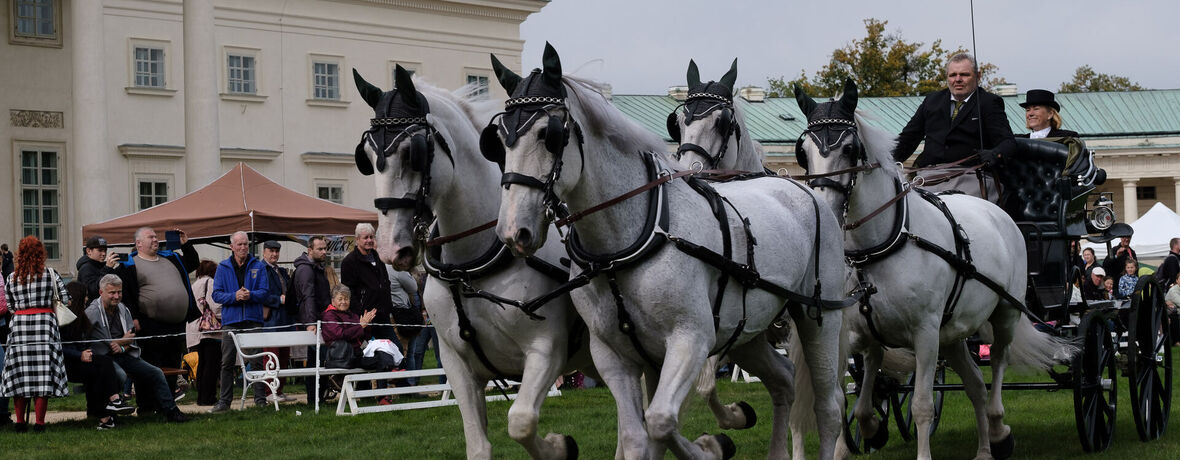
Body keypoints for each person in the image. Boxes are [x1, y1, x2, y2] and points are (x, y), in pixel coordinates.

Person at [893, 53, 1015, 201]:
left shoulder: (989, 102)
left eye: (964, 74)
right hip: (928, 176)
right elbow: (908, 139)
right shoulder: (932, 101)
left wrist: (995, 153)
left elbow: (1007, 142)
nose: (958, 79)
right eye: (953, 75)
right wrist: (882, 160)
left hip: (970, 176)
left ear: (978, 76)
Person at [85, 274, 189, 423]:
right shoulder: (92, 312)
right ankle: (109, 413)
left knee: (156, 372)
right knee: (119, 375)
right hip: (104, 358)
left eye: (119, 292)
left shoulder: (123, 308)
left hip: (124, 354)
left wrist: (121, 345)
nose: (116, 296)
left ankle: (171, 411)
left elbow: (131, 336)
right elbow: (88, 339)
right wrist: (121, 341)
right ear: (101, 293)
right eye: (112, 293)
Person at [115, 227, 200, 400]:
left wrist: (186, 244)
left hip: (176, 323)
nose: (155, 240)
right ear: (138, 243)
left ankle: (167, 403)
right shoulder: (129, 264)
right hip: (150, 324)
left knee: (172, 365)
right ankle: (147, 405)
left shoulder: (171, 257)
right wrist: (134, 317)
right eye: (150, 237)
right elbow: (127, 293)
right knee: (149, 366)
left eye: (156, 236)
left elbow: (193, 263)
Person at [0, 236, 70, 432]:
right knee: (42, 374)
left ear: (19, 254)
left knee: (19, 374)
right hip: (45, 326)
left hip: (20, 327)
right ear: (41, 253)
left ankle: (20, 422)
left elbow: (11, 306)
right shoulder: (51, 274)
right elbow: (65, 300)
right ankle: (39, 423)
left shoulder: (11, 278)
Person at [60, 282, 136, 430]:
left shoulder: (82, 318)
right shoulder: (64, 320)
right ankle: (107, 413)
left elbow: (87, 343)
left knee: (104, 362)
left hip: (82, 360)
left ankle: (112, 405)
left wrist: (87, 352)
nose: (87, 299)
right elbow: (61, 348)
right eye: (85, 296)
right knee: (98, 372)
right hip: (68, 364)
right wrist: (80, 354)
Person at [208, 231, 269, 413]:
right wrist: (235, 296)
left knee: (257, 361)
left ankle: (260, 400)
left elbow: (265, 292)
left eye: (245, 244)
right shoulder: (223, 267)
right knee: (227, 362)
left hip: (253, 319)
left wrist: (250, 295)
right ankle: (225, 402)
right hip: (231, 321)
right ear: (231, 246)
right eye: (239, 244)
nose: (243, 247)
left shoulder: (258, 265)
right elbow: (216, 295)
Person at [320, 285, 399, 403]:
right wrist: (360, 326)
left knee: (383, 355)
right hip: (341, 358)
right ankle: (389, 372)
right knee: (381, 360)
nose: (343, 302)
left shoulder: (352, 314)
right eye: (340, 299)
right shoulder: (329, 315)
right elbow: (339, 335)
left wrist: (366, 325)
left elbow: (363, 337)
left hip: (357, 355)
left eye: (346, 299)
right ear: (333, 301)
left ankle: (382, 396)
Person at [293, 236, 331, 401]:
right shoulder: (306, 269)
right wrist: (310, 322)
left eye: (325, 248)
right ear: (310, 250)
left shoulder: (315, 267)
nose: (324, 252)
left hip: (319, 320)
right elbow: (307, 296)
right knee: (317, 361)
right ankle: (314, 398)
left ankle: (317, 397)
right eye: (320, 249)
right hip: (313, 322)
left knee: (318, 361)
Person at [260, 240, 295, 403]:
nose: (274, 254)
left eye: (276, 251)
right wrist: (279, 300)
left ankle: (279, 391)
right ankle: (269, 391)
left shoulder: (280, 270)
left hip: (284, 319)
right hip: (270, 321)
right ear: (264, 252)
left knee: (283, 357)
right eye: (271, 251)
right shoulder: (261, 269)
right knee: (271, 357)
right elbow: (259, 294)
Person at [187, 260, 222, 406]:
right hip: (209, 330)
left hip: (195, 329)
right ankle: (209, 397)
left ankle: (201, 396)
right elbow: (215, 305)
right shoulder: (211, 282)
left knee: (202, 365)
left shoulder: (195, 284)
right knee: (212, 365)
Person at [75, 236, 119, 304]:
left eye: (105, 250)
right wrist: (107, 268)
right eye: (100, 250)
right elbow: (93, 291)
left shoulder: (101, 265)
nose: (104, 254)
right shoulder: (86, 268)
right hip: (92, 309)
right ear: (89, 251)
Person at [1164, 272, 1180, 346]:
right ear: (1177, 281)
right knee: (1175, 318)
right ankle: (1176, 341)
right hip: (1170, 313)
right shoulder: (1174, 290)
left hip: (1176, 311)